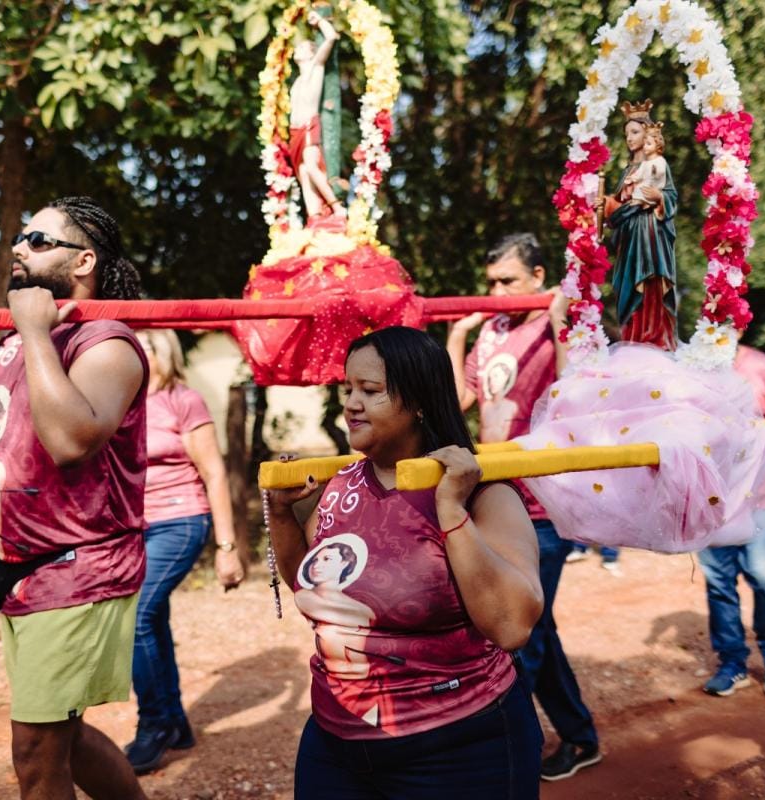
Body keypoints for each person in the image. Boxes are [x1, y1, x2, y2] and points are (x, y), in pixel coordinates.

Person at [266, 326, 544, 798]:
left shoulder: (483, 493)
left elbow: (511, 625)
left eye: (370, 390)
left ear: (418, 401)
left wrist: (450, 510)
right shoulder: (342, 486)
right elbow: (312, 588)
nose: (351, 404)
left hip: (459, 747)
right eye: (348, 389)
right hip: (335, 742)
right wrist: (280, 516)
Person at [0, 196, 149, 800]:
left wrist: (34, 330)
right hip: (16, 567)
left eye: (37, 241)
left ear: (84, 261)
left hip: (77, 567)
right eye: (19, 239)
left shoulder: (106, 341)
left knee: (35, 750)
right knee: (64, 737)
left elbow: (71, 443)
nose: (18, 249)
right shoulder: (12, 344)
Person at [446, 233, 605, 782]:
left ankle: (496, 761)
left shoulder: (557, 323)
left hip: (542, 507)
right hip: (492, 500)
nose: (497, 293)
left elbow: (576, 395)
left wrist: (560, 323)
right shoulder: (491, 330)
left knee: (516, 630)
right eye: (491, 282)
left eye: (508, 282)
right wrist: (457, 335)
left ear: (539, 277)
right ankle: (581, 737)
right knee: (537, 627)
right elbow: (457, 402)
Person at [123, 329, 246, 774]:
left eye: (145, 346)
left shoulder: (183, 400)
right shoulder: (119, 402)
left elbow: (214, 472)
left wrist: (226, 547)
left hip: (181, 520)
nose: (133, 353)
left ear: (164, 354)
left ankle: (153, 723)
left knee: (135, 615)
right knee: (152, 618)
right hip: (134, 528)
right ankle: (175, 723)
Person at [697, 342, 765, 698]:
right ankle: (732, 662)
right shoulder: (690, 369)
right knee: (718, 583)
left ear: (741, 322)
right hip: (712, 501)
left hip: (760, 499)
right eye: (711, 317)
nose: (719, 324)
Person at [603, 99, 679, 350]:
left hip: (650, 234)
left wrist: (659, 198)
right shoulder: (628, 171)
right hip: (629, 238)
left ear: (648, 135)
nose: (629, 138)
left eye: (635, 132)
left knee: (649, 285)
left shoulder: (658, 165)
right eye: (627, 133)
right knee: (627, 288)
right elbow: (618, 205)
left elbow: (671, 196)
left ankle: (654, 336)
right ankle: (633, 336)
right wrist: (606, 205)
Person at [289, 10, 345, 221]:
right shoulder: (297, 81)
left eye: (302, 47)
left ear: (311, 54)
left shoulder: (315, 67)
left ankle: (337, 207)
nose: (297, 49)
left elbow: (330, 37)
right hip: (295, 131)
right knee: (303, 171)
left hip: (308, 126)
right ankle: (314, 216)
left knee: (311, 166)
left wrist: (320, 20)